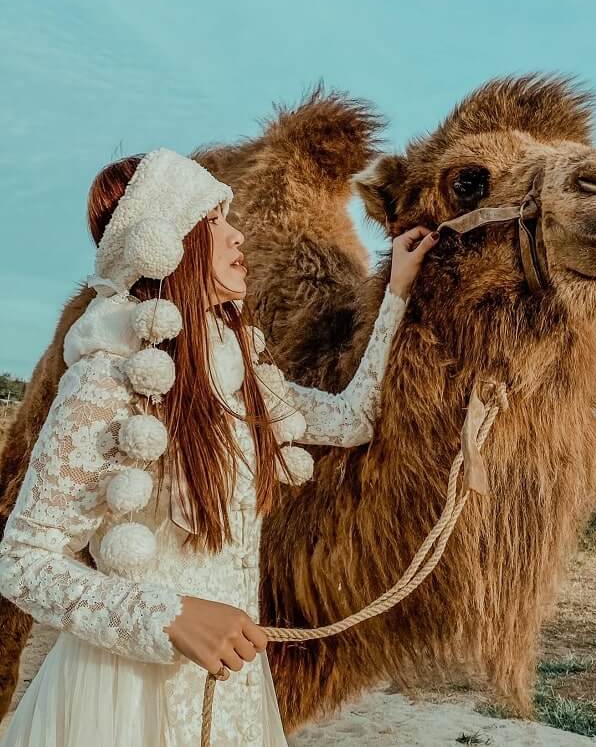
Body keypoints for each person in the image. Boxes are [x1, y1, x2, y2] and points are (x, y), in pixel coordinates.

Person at [0, 148, 438, 746]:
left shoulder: (242, 376)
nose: (239, 237)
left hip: (227, 684)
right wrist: (170, 617)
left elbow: (353, 418)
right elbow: (22, 561)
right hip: (124, 696)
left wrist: (396, 295)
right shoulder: (109, 379)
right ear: (166, 242)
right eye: (215, 222)